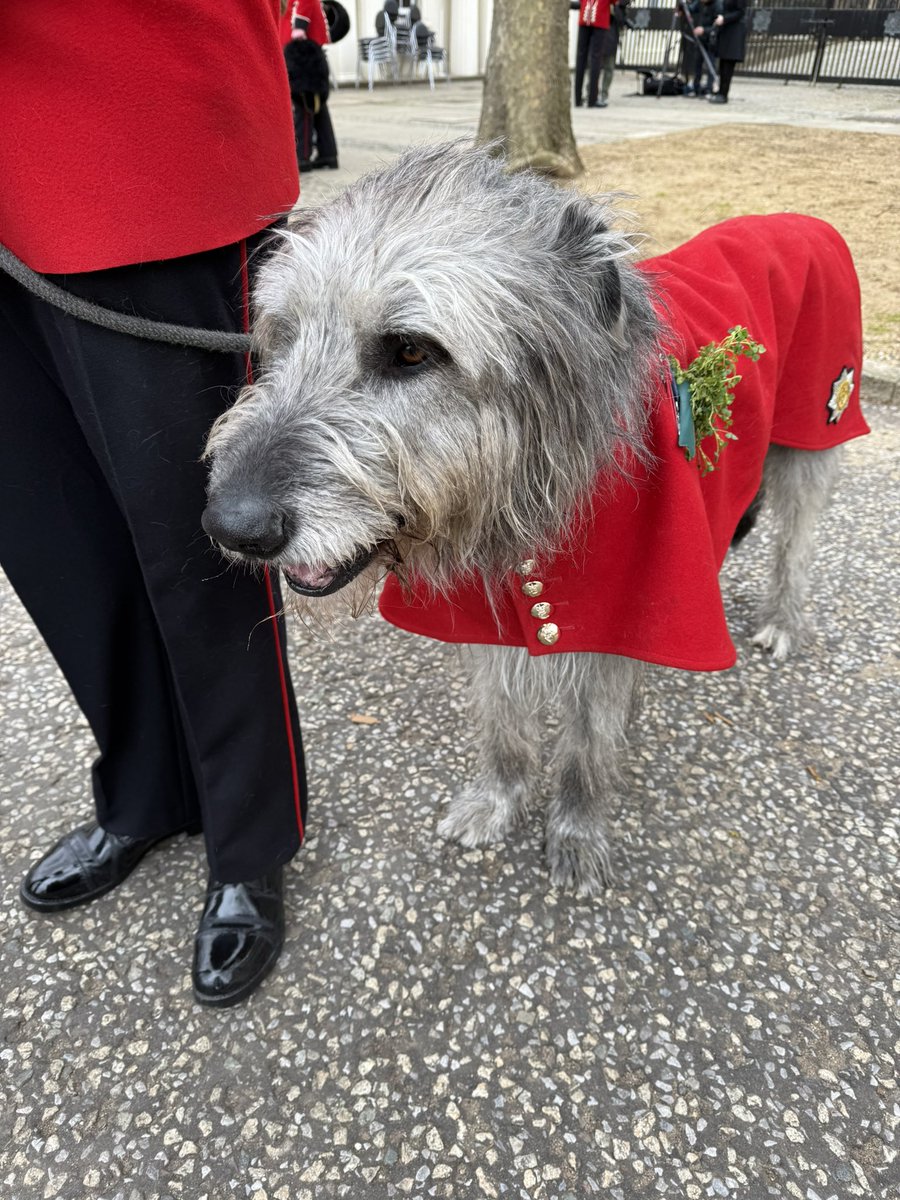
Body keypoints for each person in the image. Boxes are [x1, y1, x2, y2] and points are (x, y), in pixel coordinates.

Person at [0, 2, 308, 1008]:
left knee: (199, 542)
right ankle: (144, 789)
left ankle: (247, 837)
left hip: (124, 130)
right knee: (53, 539)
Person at [283, 1, 339, 171]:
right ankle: (327, 153)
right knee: (317, 106)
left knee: (304, 104)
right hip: (305, 50)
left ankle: (303, 156)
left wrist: (299, 27)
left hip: (303, 52)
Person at [574, 0, 612, 109]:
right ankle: (592, 99)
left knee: (581, 58)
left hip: (584, 16)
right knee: (596, 59)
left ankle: (577, 98)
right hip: (600, 18)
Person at [710, 0, 748, 103]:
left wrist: (724, 18)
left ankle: (724, 94)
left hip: (734, 32)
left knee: (728, 64)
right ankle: (721, 90)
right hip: (727, 31)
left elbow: (740, 12)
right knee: (723, 63)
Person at [598, 0, 631, 107]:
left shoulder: (618, 6)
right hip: (604, 35)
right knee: (604, 67)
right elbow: (620, 20)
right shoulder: (615, 6)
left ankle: (600, 93)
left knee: (604, 68)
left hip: (606, 36)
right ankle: (599, 93)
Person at [689, 0, 721, 97]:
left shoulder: (718, 5)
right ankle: (696, 88)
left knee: (711, 64)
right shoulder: (700, 3)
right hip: (701, 39)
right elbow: (690, 9)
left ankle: (709, 89)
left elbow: (717, 26)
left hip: (711, 39)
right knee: (697, 64)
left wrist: (704, 30)